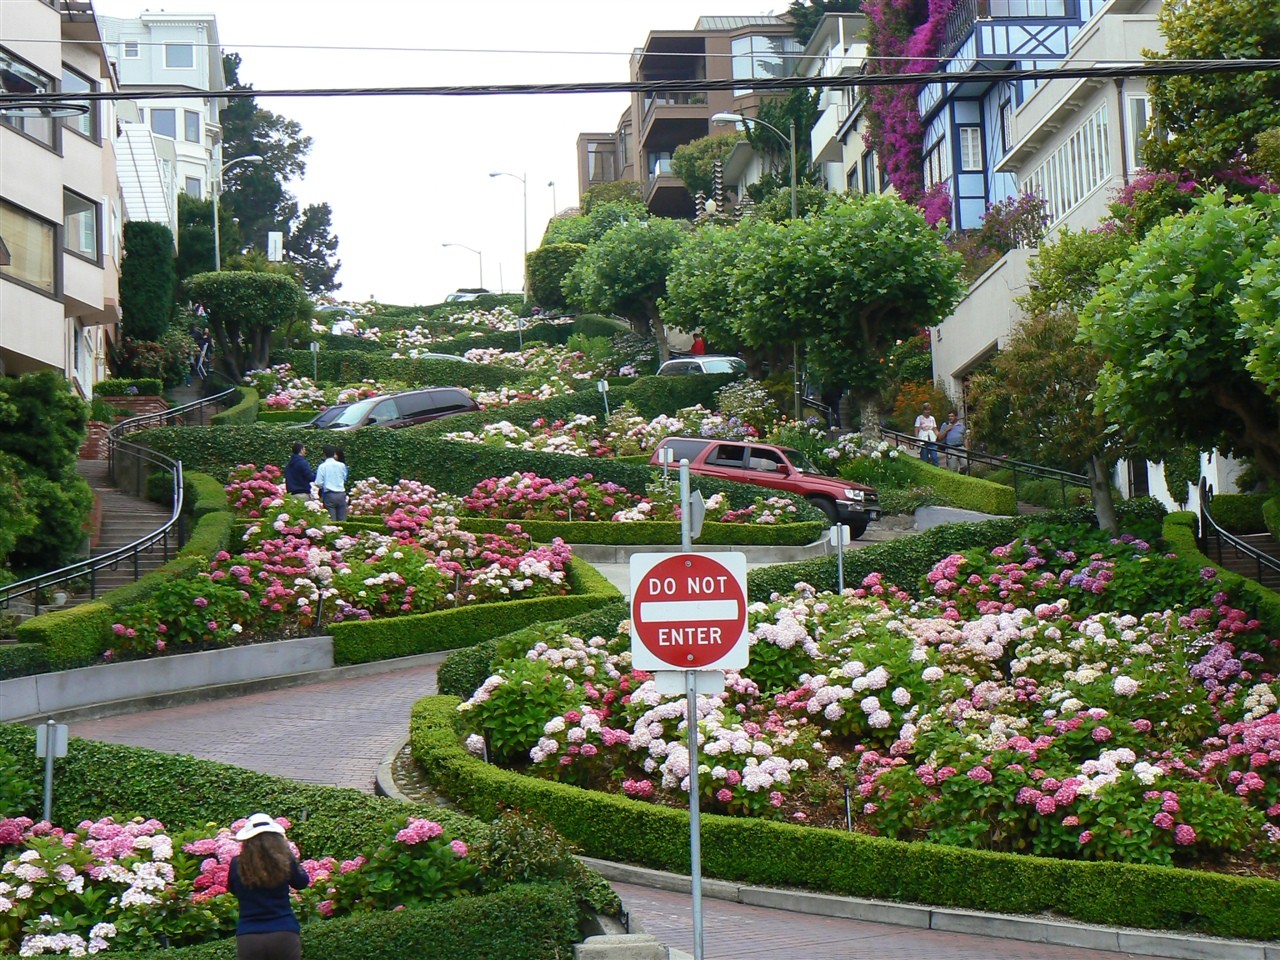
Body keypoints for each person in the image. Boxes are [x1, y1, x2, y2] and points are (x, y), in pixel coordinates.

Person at [228, 813, 310, 960]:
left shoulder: (237, 864)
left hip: (249, 936)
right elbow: (302, 882)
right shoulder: (284, 860)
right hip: (283, 932)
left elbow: (233, 889)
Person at [314, 445, 348, 520]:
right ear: (334, 454)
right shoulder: (342, 465)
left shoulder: (322, 466)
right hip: (341, 494)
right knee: (342, 521)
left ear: (324, 455)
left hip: (329, 494)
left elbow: (318, 483)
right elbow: (344, 478)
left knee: (331, 521)